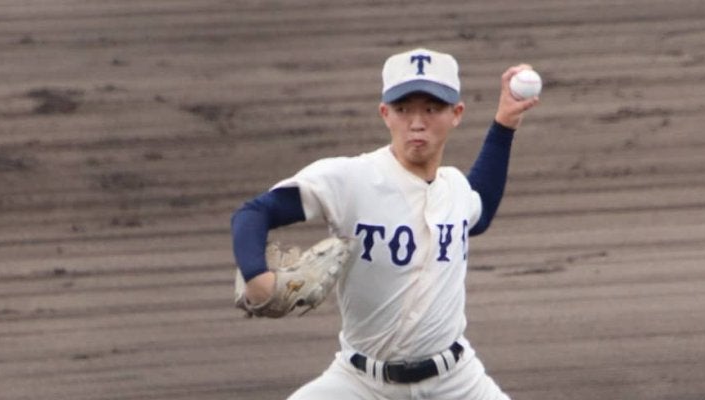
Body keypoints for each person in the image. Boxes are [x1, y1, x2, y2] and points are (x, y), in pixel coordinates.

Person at [230, 47, 539, 399]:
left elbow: (479, 210)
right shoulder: (351, 179)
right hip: (360, 384)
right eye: (403, 109)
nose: (417, 122)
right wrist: (257, 277)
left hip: (457, 382)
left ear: (456, 114)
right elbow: (253, 213)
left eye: (431, 108)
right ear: (385, 113)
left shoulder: (455, 188)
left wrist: (505, 124)